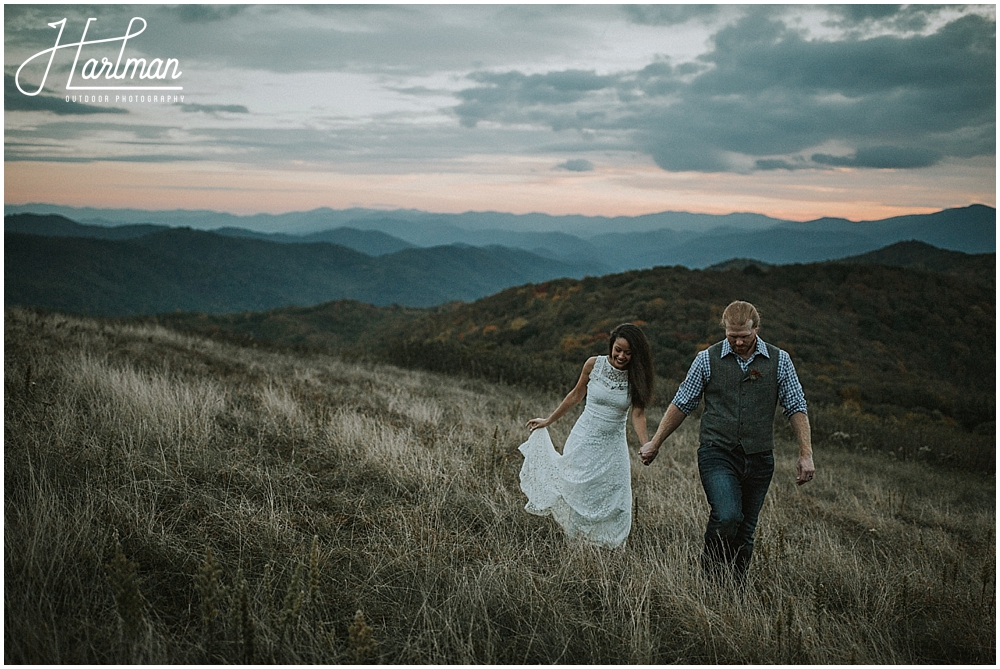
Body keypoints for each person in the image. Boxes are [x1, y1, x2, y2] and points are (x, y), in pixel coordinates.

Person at [639, 300, 814, 580]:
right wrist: (655, 442)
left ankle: (735, 588)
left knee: (745, 530)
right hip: (717, 452)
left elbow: (795, 406)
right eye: (732, 336)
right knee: (727, 515)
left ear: (756, 328)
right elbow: (683, 402)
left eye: (744, 336)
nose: (739, 342)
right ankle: (710, 576)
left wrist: (806, 454)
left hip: (759, 457)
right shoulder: (706, 359)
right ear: (724, 330)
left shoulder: (779, 360)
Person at [518, 323, 654, 548]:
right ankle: (576, 542)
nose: (621, 356)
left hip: (613, 446)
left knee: (613, 496)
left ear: (636, 354)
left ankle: (607, 545)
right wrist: (548, 420)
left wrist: (646, 444)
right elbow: (575, 395)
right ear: (611, 345)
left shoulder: (636, 377)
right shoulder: (594, 364)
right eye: (618, 349)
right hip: (584, 437)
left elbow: (638, 415)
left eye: (628, 353)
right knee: (578, 490)